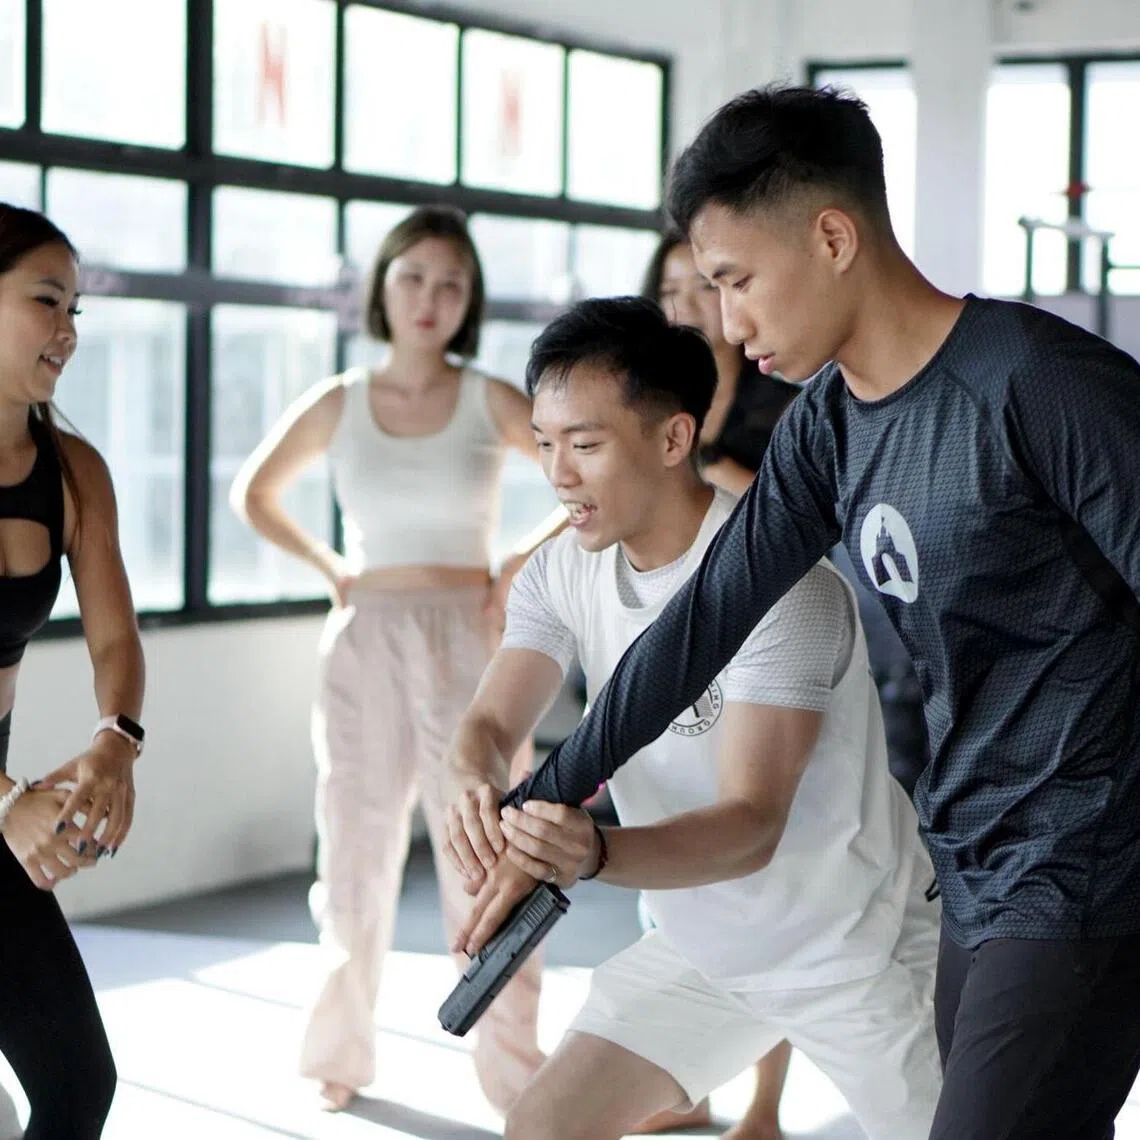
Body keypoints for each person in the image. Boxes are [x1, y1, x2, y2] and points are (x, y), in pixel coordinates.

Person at [452, 85, 1140, 1140]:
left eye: (736, 281)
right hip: (973, 864)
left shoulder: (1042, 385)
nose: (727, 324)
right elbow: (699, 625)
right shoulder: (828, 425)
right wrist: (537, 809)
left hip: (1085, 860)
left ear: (831, 236)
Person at [444, 296, 942, 1140]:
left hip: (853, 942)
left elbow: (752, 824)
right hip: (704, 951)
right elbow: (491, 723)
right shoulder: (561, 571)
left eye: (586, 445)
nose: (558, 474)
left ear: (674, 440)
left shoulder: (784, 588)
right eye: (545, 445)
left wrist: (592, 852)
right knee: (540, 1130)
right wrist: (470, 774)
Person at [230, 205, 552, 1115]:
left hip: (470, 636)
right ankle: (338, 1054)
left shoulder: (491, 397)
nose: (429, 298)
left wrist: (521, 561)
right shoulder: (340, 399)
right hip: (367, 632)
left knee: (489, 856)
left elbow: (584, 473)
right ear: (382, 285)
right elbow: (253, 491)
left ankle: (516, 1076)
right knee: (356, 851)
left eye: (451, 283)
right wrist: (330, 567)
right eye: (413, 277)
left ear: (469, 299)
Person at [641, 230, 800, 1137]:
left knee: (766, 881)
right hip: (673, 636)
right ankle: (684, 1080)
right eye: (666, 289)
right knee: (673, 876)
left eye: (701, 285)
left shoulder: (781, 395)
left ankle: (765, 1106)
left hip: (770, 639)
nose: (685, 305)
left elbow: (798, 509)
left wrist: (700, 465)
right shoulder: (646, 400)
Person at [0, 203, 146, 1137]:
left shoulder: (73, 470)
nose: (68, 331)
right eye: (46, 300)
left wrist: (114, 742)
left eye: (77, 309)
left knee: (75, 1083)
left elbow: (115, 642)